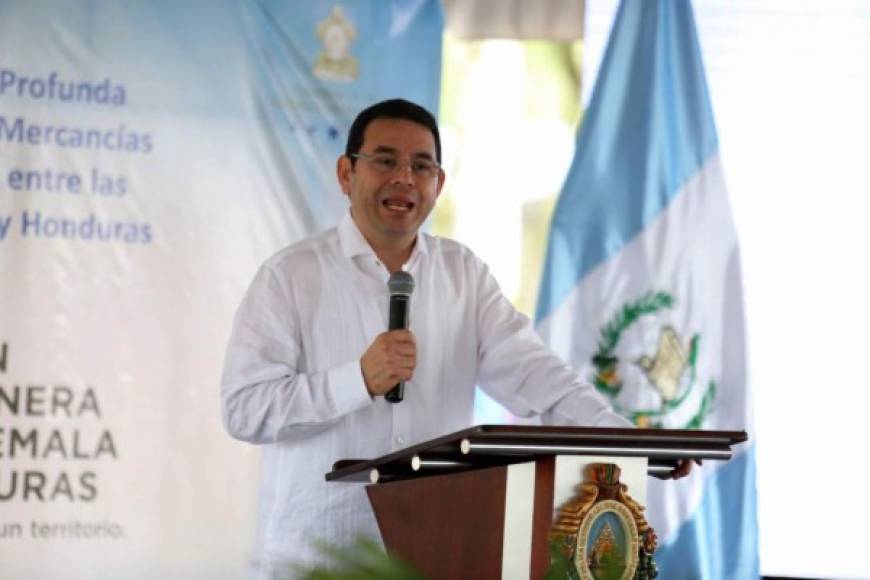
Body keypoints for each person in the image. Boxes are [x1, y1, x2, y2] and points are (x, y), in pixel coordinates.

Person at [221, 98, 692, 577]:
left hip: (431, 556)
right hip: (318, 560)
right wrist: (357, 380)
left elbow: (539, 377)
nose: (404, 177)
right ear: (347, 173)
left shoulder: (463, 275)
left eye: (421, 166)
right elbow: (245, 410)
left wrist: (625, 440)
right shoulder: (290, 276)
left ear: (438, 184)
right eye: (385, 161)